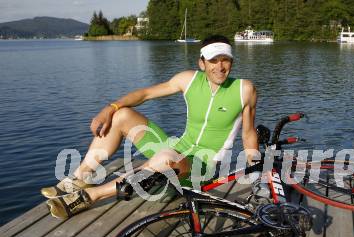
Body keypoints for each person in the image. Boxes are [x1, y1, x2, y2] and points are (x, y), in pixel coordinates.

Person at [43, 35, 258, 219]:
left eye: (225, 60)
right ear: (202, 63)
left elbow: (248, 134)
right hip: (177, 149)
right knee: (123, 114)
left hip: (201, 169)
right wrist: (110, 108)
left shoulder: (244, 89)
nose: (220, 67)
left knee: (166, 157)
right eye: (213, 60)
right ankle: (80, 178)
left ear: (231, 61)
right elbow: (145, 94)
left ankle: (91, 196)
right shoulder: (188, 80)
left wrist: (258, 173)